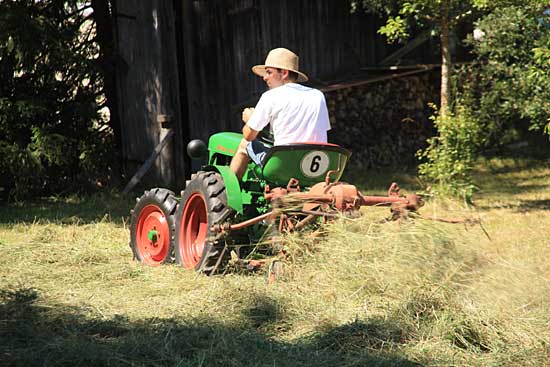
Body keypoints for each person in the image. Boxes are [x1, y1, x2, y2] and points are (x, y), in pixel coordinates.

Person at [229, 47, 331, 179]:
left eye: (269, 72)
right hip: (315, 164)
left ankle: (229, 194)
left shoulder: (270, 96)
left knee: (244, 145)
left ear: (284, 73)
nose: (265, 78)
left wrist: (250, 120)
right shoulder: (318, 96)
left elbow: (249, 136)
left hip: (284, 164)